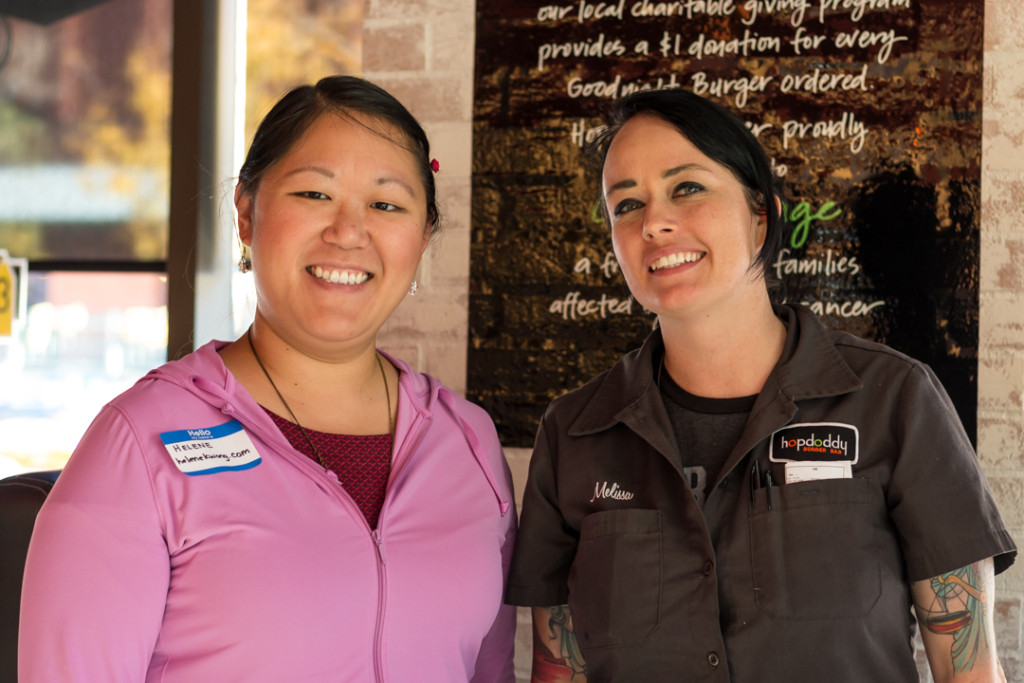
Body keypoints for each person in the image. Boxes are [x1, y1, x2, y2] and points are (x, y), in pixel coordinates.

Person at [505, 88, 1016, 682]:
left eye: (686, 188)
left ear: (761, 214)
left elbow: (970, 673)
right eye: (626, 205)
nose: (655, 222)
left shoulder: (894, 401)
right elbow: (556, 671)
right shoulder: (573, 433)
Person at [19, 76, 516, 682]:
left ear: (423, 238)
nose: (349, 232)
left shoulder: (469, 443)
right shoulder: (138, 442)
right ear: (247, 215)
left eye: (386, 205)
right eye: (313, 194)